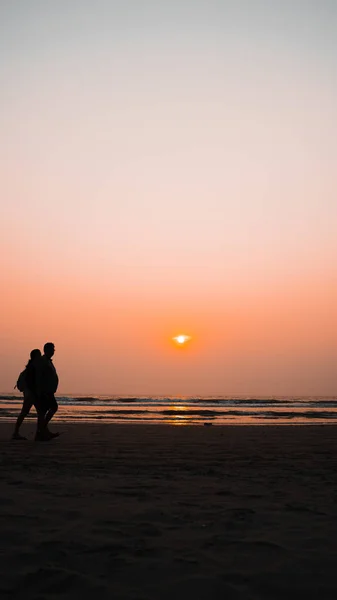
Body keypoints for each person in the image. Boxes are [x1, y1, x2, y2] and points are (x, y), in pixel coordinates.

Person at [12, 349, 42, 440]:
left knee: (38, 413)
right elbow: (31, 382)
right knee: (29, 412)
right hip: (31, 394)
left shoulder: (31, 366)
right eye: (39, 355)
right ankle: (16, 433)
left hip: (31, 393)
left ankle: (40, 432)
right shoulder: (33, 367)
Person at [35, 342, 59, 441]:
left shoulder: (48, 361)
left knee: (42, 413)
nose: (54, 351)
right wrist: (41, 391)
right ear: (47, 350)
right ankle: (42, 429)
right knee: (53, 407)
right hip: (45, 391)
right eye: (52, 349)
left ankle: (40, 433)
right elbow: (39, 376)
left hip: (48, 391)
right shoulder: (43, 361)